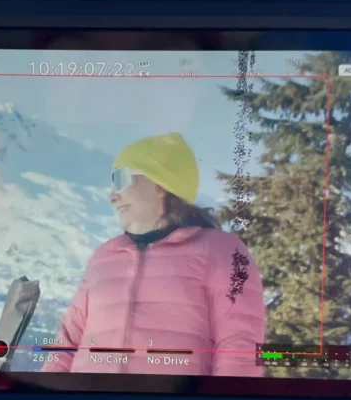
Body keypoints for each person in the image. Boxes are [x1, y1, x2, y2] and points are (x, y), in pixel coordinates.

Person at [42, 132, 266, 377]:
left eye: (120, 178)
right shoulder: (104, 257)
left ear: (160, 184)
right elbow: (65, 345)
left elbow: (239, 344)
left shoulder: (221, 250)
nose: (112, 195)